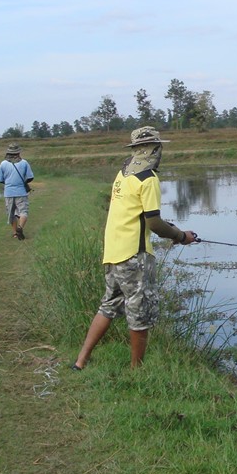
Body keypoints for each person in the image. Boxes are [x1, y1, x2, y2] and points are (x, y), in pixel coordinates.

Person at [72, 126, 196, 370]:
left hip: (113, 252)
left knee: (108, 305)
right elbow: (154, 223)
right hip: (134, 257)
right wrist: (181, 236)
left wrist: (169, 229)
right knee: (139, 315)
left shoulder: (123, 173)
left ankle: (81, 361)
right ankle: (136, 371)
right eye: (158, 148)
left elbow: (138, 214)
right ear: (154, 149)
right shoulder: (148, 179)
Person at [0, 142, 34, 240]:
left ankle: (15, 233)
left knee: (11, 213)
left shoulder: (3, 164)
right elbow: (30, 177)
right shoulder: (24, 163)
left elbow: (0, 179)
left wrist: (9, 183)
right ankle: (20, 228)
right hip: (21, 192)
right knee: (23, 212)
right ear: (18, 152)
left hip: (8, 192)